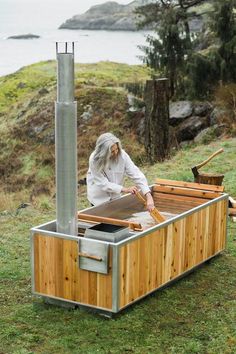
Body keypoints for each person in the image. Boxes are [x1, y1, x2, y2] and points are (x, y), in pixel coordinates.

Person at [86, 132, 155, 211]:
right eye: (112, 151)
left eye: (117, 149)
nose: (115, 153)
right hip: (99, 198)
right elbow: (103, 183)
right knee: (102, 221)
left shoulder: (123, 156)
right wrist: (125, 189)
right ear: (103, 152)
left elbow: (136, 174)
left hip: (115, 197)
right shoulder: (94, 160)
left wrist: (148, 196)